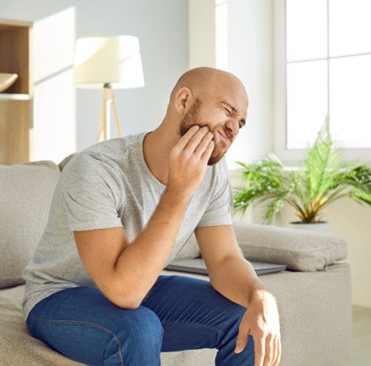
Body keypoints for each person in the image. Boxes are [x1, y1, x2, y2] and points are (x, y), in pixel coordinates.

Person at [23, 67, 281, 366]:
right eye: (227, 111)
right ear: (183, 101)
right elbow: (124, 293)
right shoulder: (96, 168)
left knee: (244, 316)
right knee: (139, 328)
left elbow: (224, 259)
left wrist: (259, 296)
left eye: (240, 123)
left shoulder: (212, 175)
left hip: (142, 283)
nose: (233, 128)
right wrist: (179, 191)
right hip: (59, 296)